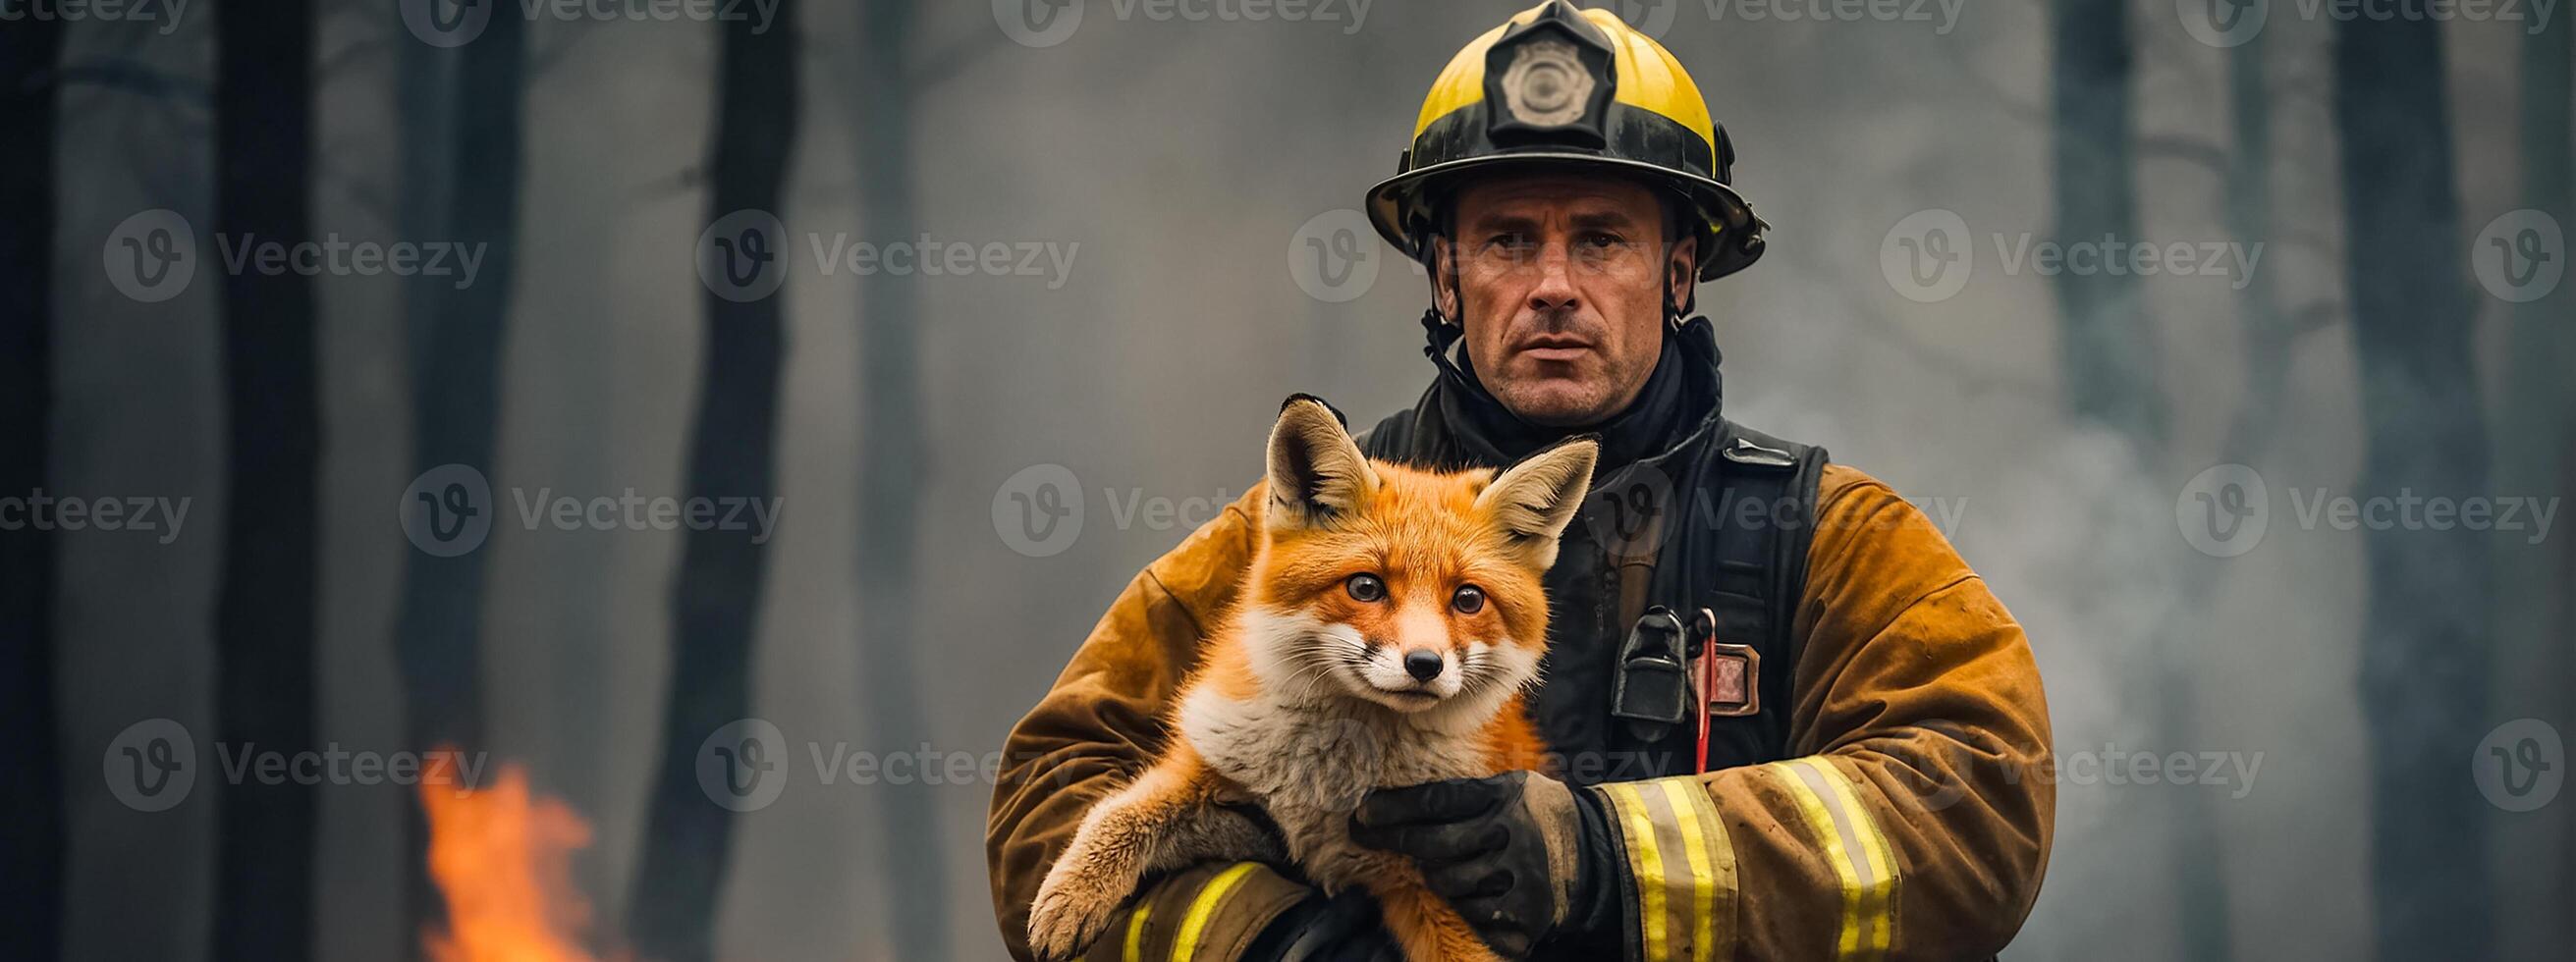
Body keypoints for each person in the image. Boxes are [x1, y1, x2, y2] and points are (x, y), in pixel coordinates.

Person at [987, 3, 2054, 959]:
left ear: (1678, 268)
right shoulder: (1301, 536)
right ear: (1445, 273)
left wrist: (1603, 857)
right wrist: (1271, 938)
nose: (1552, 287)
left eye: (1600, 240)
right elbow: (1048, 803)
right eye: (1506, 239)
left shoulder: (1829, 537)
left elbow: (1979, 800)